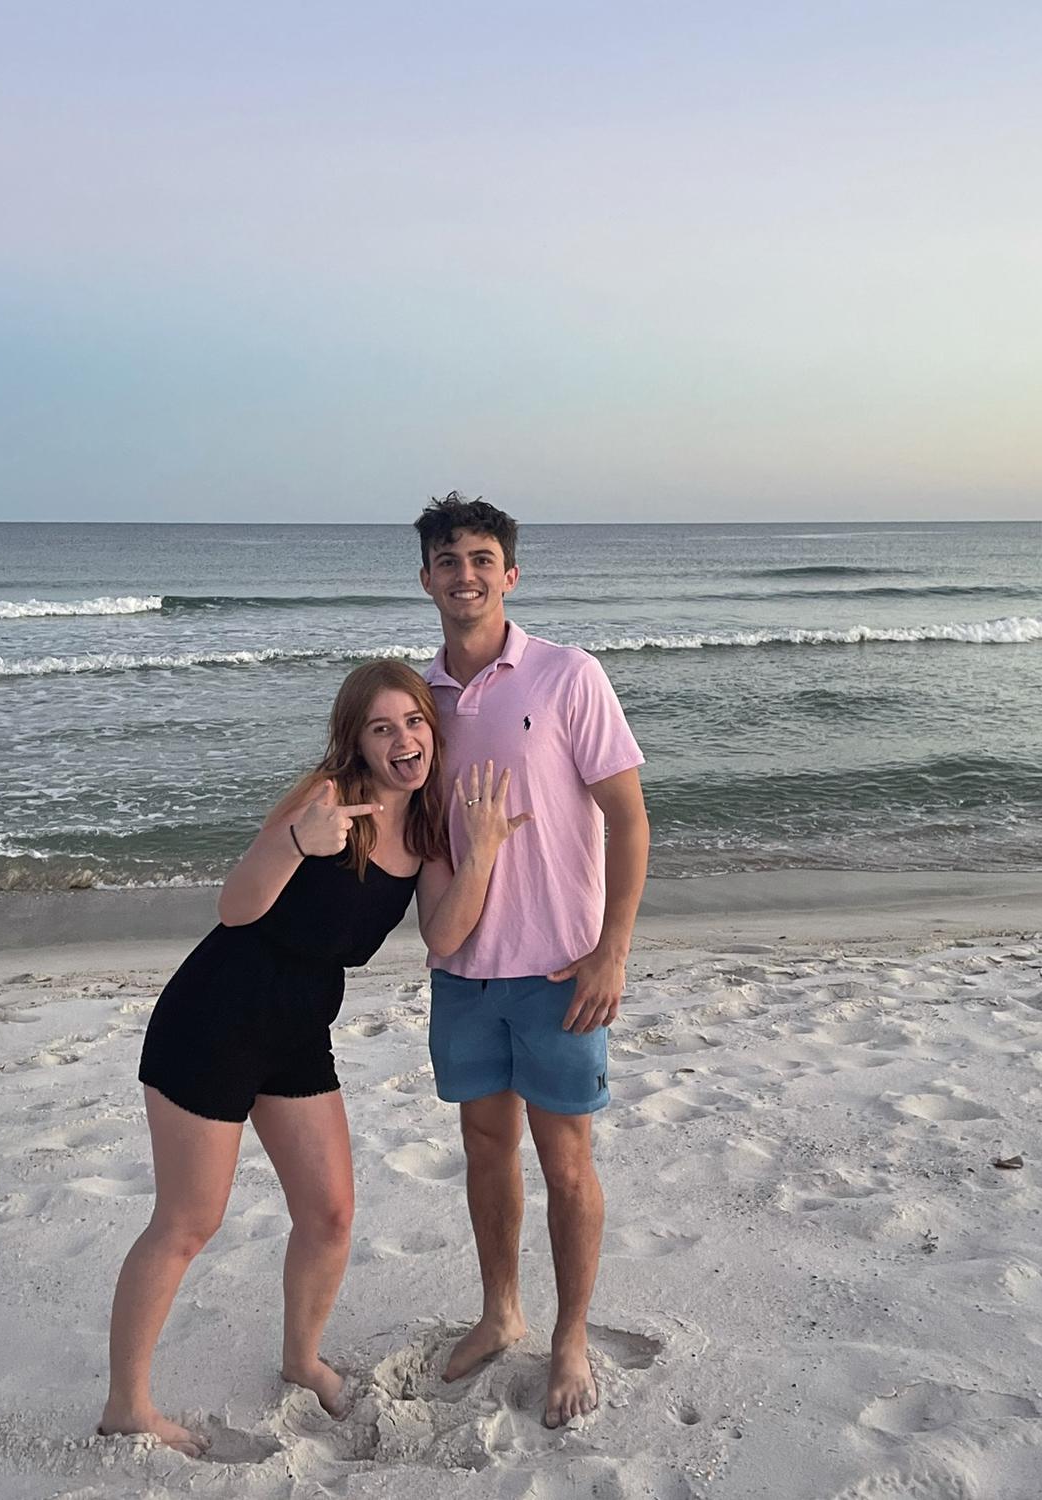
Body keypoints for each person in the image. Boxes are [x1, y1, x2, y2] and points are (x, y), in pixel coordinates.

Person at [98, 659, 529, 1455]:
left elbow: (442, 936)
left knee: (330, 1215)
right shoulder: (325, 800)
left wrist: (484, 853)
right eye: (381, 727)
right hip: (215, 1018)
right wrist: (298, 842)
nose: (403, 739)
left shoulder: (427, 828)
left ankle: (301, 1360)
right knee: (190, 1220)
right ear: (356, 742)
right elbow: (236, 907)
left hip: (297, 1032)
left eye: (414, 722)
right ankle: (129, 1403)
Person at [413, 493, 651, 1428]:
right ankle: (500, 1312)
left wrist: (611, 950)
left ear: (510, 574)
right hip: (464, 973)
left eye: (480, 558)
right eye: (447, 560)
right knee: (483, 1150)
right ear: (424, 577)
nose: (463, 575)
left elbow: (628, 818)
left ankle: (571, 1336)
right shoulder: (417, 700)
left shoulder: (566, 675)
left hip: (560, 971)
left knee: (567, 1163)